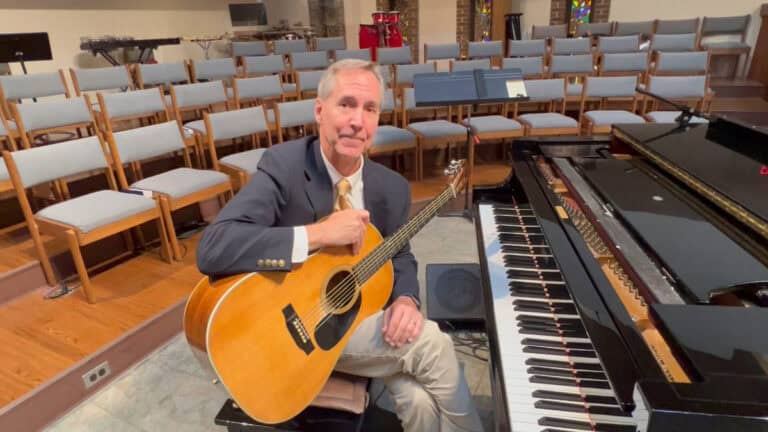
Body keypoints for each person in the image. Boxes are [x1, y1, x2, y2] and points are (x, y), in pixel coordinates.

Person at [196, 59, 483, 432]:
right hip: (296, 335)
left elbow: (401, 253)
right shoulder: (285, 166)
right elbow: (213, 247)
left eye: (369, 109)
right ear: (320, 111)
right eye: (345, 104)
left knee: (419, 400)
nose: (356, 121)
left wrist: (406, 300)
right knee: (432, 343)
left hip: (359, 316)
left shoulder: (391, 187)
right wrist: (318, 234)